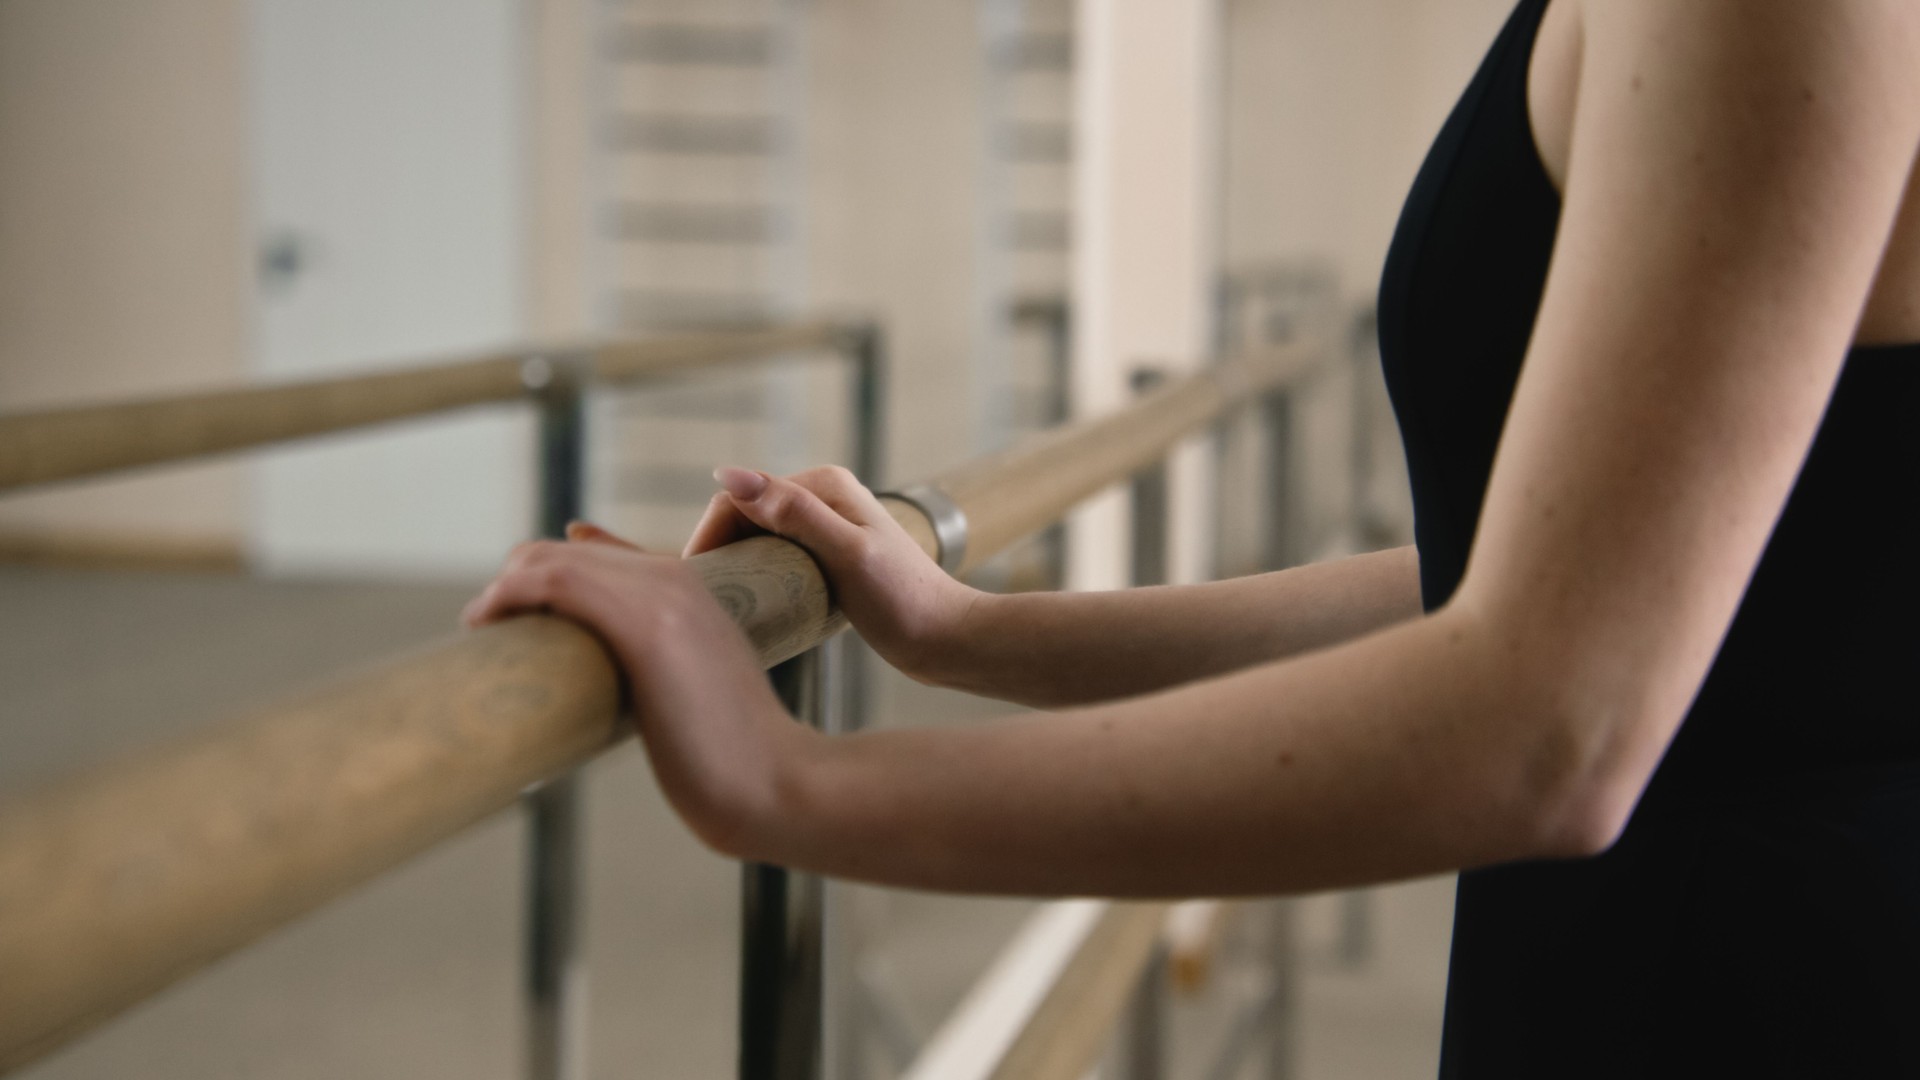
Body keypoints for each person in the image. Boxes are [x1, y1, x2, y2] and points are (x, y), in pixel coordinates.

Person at [466, 1, 1920, 1073]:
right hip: (1640, 958)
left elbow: (1557, 722)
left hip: (1760, 985)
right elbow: (1530, 582)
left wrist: (786, 784)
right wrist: (970, 631)